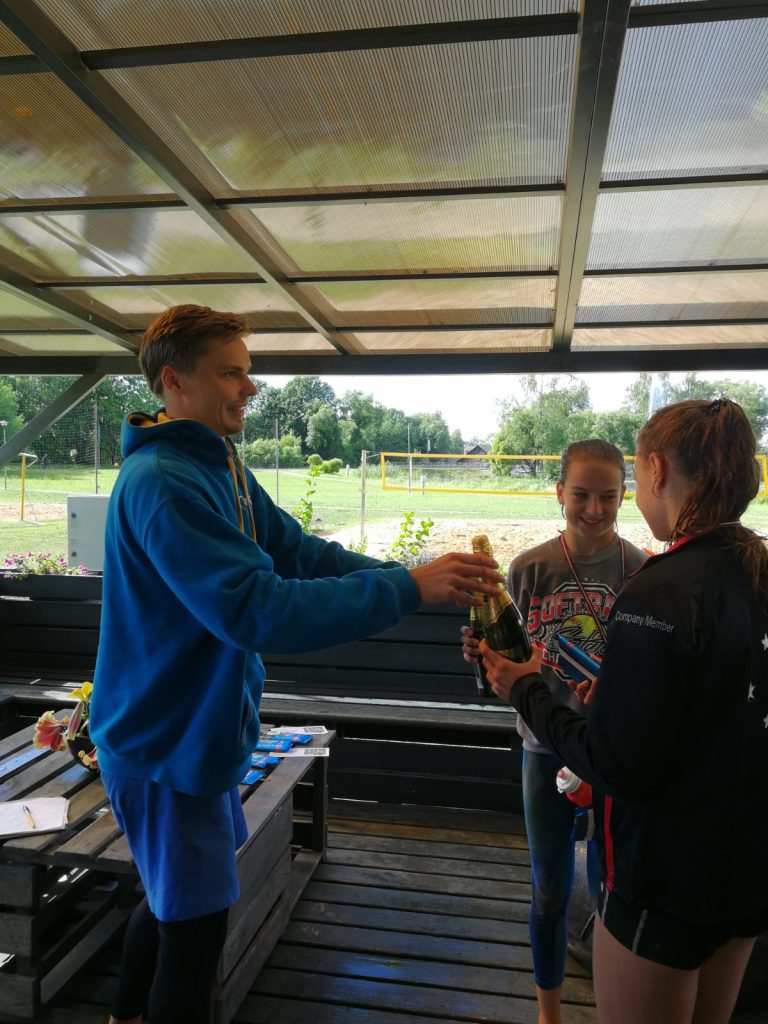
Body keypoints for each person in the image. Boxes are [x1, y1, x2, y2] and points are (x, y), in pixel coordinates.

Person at [90, 304, 504, 1024]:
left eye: (247, 372)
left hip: (195, 739)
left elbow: (299, 553)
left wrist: (412, 576)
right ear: (174, 381)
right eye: (232, 373)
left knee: (172, 903)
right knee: (194, 933)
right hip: (163, 747)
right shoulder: (164, 482)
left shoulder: (217, 464)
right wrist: (408, 589)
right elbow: (257, 608)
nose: (250, 388)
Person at [480, 399, 768, 1024]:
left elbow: (616, 764)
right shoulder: (755, 570)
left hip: (661, 878)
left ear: (656, 470)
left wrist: (526, 689)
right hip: (743, 867)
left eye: (628, 482)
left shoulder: (657, 586)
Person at [462, 439, 646, 1024]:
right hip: (543, 748)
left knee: (608, 890)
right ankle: (549, 1013)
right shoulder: (528, 569)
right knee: (549, 890)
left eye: (608, 496)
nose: (594, 509)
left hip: (609, 753)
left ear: (626, 495)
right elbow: (502, 662)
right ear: (559, 492)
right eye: (581, 494)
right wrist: (480, 655)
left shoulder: (641, 571)